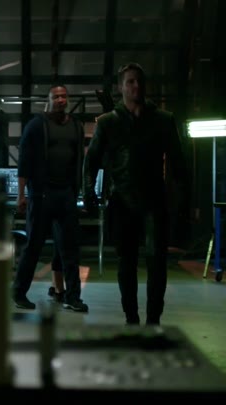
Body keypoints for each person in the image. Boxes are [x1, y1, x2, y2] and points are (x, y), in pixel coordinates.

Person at [83, 62, 187, 325]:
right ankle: (131, 318)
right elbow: (91, 160)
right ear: (121, 87)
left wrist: (182, 199)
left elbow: (179, 162)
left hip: (154, 201)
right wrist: (89, 193)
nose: (136, 86)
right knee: (126, 263)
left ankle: (153, 320)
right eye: (130, 81)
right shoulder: (108, 123)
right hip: (122, 202)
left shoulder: (163, 120)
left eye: (139, 81)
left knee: (157, 262)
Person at [12, 84, 88, 312]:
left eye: (64, 96)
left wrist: (78, 190)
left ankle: (72, 297)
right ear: (49, 100)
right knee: (33, 246)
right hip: (41, 193)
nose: (60, 100)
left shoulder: (75, 126)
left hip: (66, 194)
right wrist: (21, 194)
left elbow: (79, 159)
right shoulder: (37, 125)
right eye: (56, 96)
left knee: (69, 248)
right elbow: (24, 162)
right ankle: (18, 293)